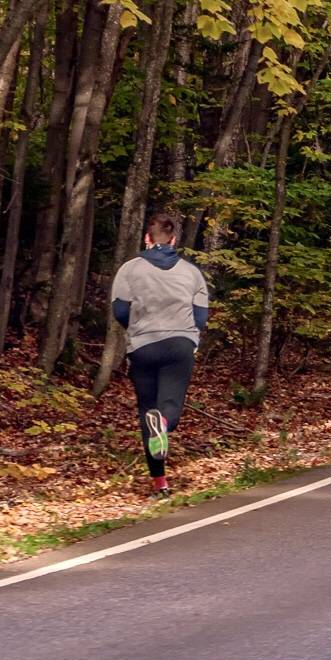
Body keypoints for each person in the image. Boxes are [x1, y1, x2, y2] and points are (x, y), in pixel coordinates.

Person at [109, 212, 211, 494]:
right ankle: (164, 423)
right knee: (168, 410)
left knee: (147, 410)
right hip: (179, 345)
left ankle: (160, 483)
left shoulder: (129, 269)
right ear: (174, 239)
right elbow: (201, 316)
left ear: (147, 238)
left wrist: (139, 328)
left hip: (142, 347)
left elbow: (120, 310)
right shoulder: (192, 273)